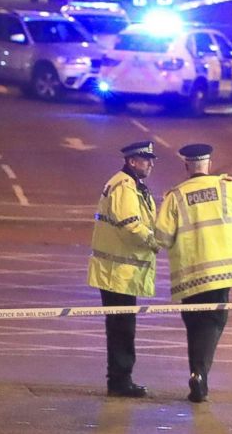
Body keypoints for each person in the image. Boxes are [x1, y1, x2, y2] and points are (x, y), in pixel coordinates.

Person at [155, 143, 232, 403]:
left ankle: (197, 374)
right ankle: (199, 375)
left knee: (194, 324)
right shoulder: (225, 186)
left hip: (190, 274)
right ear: (210, 165)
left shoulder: (175, 196)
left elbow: (162, 237)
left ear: (186, 166)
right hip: (220, 271)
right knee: (213, 322)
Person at [87, 141, 162, 398]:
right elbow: (131, 225)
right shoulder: (124, 186)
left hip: (120, 270)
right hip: (116, 270)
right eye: (146, 159)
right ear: (132, 161)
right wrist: (154, 242)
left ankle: (120, 379)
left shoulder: (131, 185)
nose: (151, 163)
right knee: (122, 329)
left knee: (122, 327)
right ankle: (119, 381)